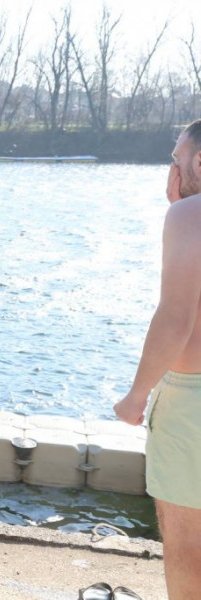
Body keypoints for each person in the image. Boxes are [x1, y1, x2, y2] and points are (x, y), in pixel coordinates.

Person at [114, 118, 201, 599]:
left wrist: (137, 393)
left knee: (187, 541)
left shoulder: (190, 215)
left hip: (193, 402)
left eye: (176, 159)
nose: (171, 171)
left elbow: (176, 318)